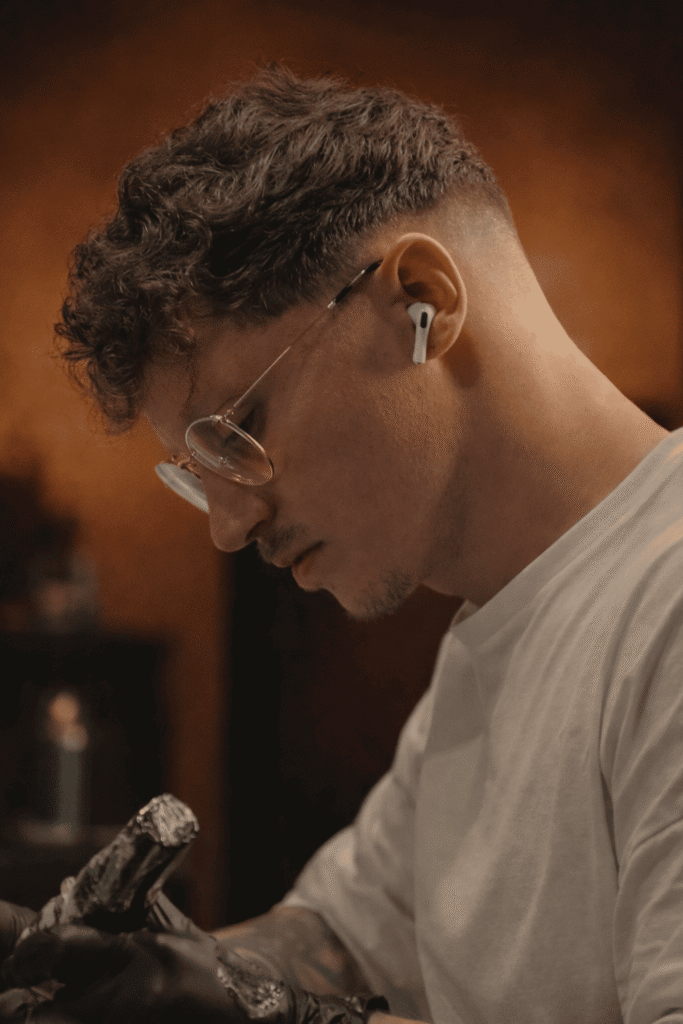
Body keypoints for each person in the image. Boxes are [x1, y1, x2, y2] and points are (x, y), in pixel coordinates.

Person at [0, 63, 681, 1024]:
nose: (229, 527)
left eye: (237, 431)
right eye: (198, 473)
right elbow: (341, 936)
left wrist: (283, 1017)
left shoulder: (665, 605)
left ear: (421, 300)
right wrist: (125, 975)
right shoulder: (496, 637)